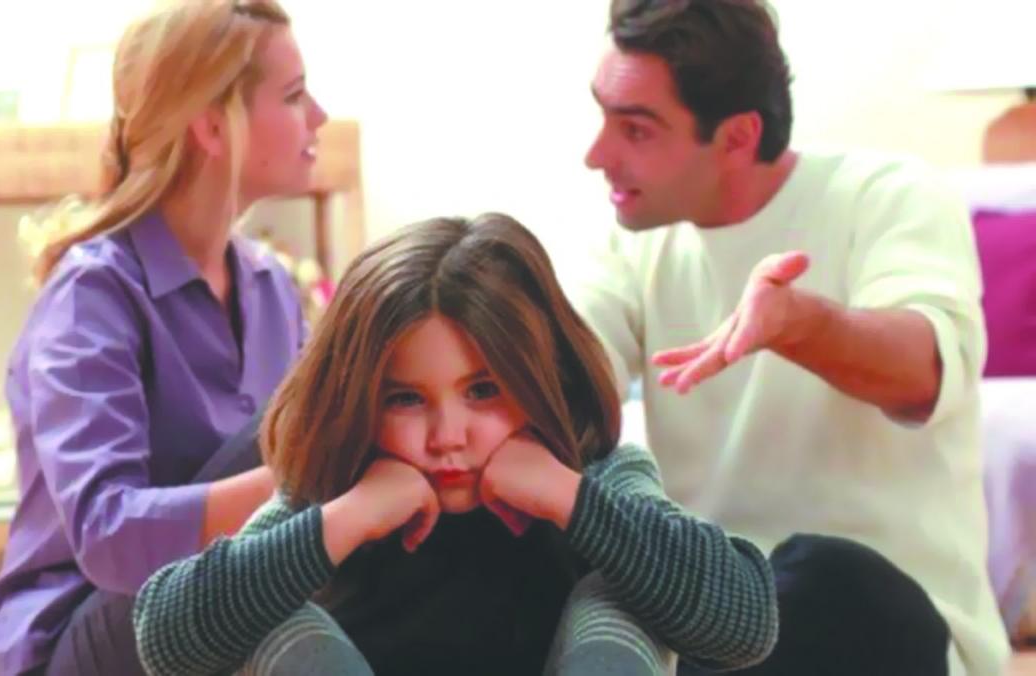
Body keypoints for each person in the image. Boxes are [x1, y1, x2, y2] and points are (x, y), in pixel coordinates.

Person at [131, 213, 779, 676]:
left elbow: (747, 623)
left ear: (542, 378)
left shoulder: (593, 470)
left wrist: (569, 496)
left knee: (619, 596)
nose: (448, 438)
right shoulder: (339, 485)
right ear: (361, 398)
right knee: (267, 607)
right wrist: (349, 516)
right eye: (406, 399)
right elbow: (164, 640)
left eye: (484, 391)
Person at [566, 1, 1010, 674]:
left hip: (888, 625)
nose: (596, 155)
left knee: (820, 577)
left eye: (636, 129)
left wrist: (798, 324)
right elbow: (564, 365)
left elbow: (924, 373)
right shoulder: (630, 245)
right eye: (602, 116)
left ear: (738, 136)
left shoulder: (889, 194)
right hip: (720, 622)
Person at [0, 2, 327, 674]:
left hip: (203, 612)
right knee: (310, 439)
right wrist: (315, 489)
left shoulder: (271, 288)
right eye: (293, 95)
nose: (319, 116)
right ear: (212, 125)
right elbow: (107, 535)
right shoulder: (90, 295)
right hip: (81, 634)